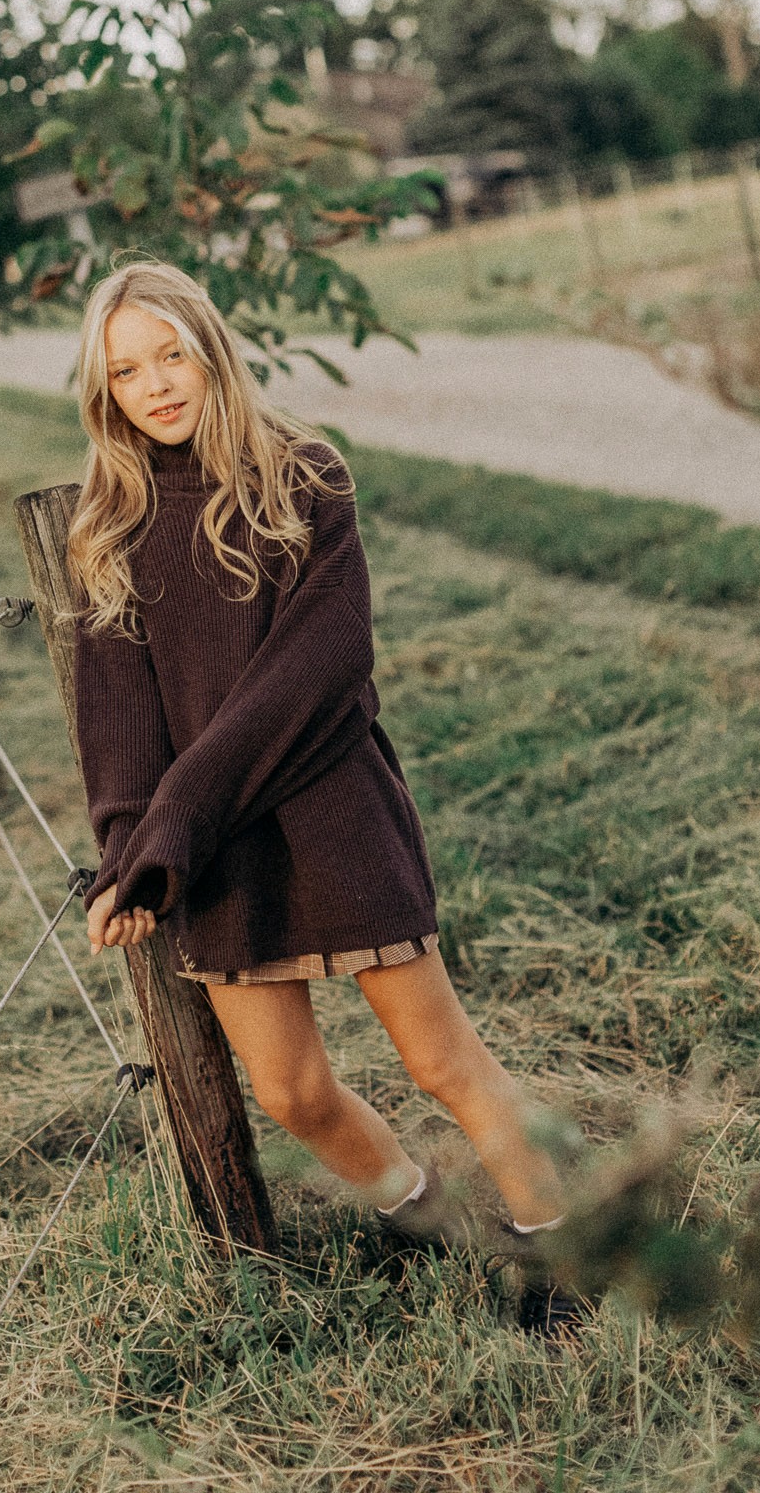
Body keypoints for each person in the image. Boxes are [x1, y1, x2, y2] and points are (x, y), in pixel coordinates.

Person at [67, 260, 574, 1316]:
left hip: (330, 808)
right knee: (289, 1092)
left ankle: (560, 1246)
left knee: (440, 1061)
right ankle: (430, 1219)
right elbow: (118, 719)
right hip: (214, 849)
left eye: (171, 355)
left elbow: (317, 667)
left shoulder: (303, 478)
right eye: (126, 371)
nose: (155, 385)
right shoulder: (108, 526)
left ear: (211, 351)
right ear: (103, 391)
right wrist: (129, 850)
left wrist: (175, 818)